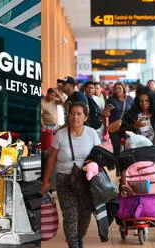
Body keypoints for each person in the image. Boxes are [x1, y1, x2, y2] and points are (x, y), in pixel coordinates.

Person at [41, 102, 101, 248]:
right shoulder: (60, 135)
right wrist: (46, 180)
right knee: (70, 216)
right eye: (72, 113)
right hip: (65, 180)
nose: (75, 117)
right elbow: (52, 158)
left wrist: (93, 165)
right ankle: (73, 243)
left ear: (85, 117)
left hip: (86, 180)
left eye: (79, 114)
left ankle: (78, 238)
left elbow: (99, 155)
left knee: (85, 215)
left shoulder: (91, 133)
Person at [104, 83, 134, 155]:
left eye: (119, 88)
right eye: (115, 89)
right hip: (115, 126)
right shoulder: (110, 100)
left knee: (129, 146)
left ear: (123, 89)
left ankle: (127, 163)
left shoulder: (129, 99)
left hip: (127, 126)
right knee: (116, 148)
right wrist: (108, 109)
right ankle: (117, 163)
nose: (117, 90)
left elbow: (134, 112)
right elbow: (106, 114)